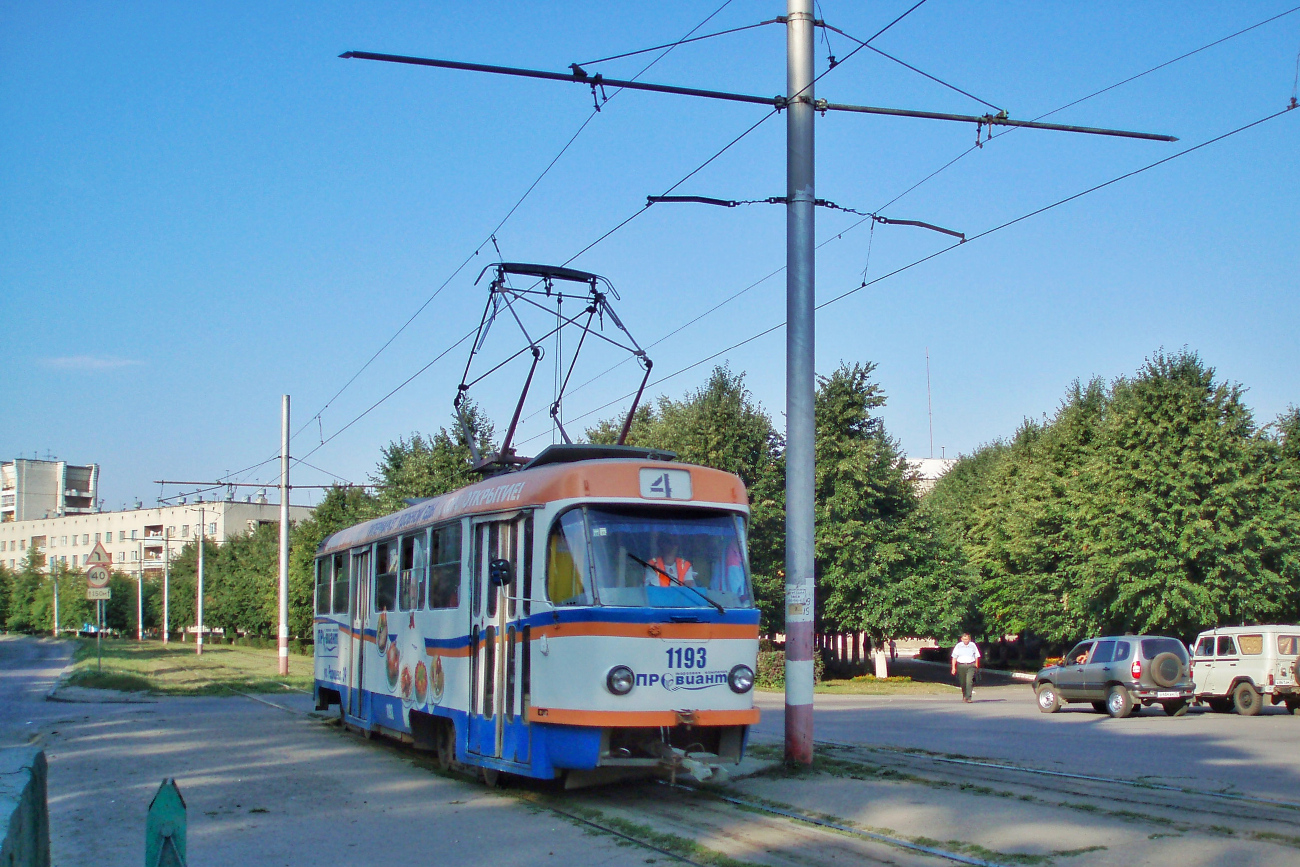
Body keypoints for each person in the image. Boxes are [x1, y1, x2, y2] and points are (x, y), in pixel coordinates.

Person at [950, 633, 981, 703]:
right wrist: (953, 668)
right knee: (963, 682)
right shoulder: (958, 646)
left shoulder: (973, 645)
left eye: (967, 639)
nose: (965, 641)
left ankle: (969, 697)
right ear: (961, 639)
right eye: (964, 639)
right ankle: (965, 695)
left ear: (969, 639)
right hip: (961, 665)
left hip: (971, 665)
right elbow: (954, 657)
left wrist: (976, 665)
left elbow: (977, 656)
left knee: (969, 681)